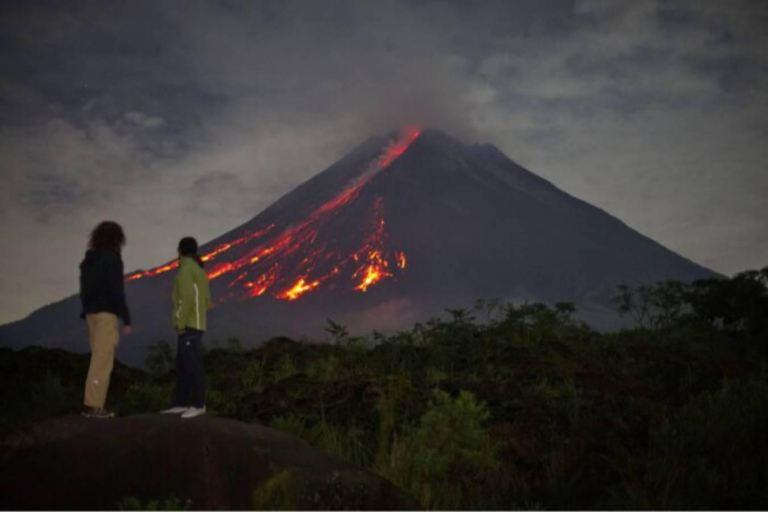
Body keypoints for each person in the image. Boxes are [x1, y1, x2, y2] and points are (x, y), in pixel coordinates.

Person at [80, 221, 132, 418]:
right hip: (106, 315)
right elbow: (116, 291)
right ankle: (93, 406)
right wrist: (126, 318)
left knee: (97, 358)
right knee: (102, 361)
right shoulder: (112, 259)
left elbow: (85, 290)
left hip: (90, 314)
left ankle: (91, 404)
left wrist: (88, 310)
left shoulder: (89, 261)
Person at [161, 237, 211, 419]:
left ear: (179, 251)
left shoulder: (185, 271)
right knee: (183, 365)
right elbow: (206, 299)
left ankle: (198, 404)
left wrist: (180, 323)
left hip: (189, 325)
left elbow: (186, 297)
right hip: (197, 323)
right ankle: (180, 403)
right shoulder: (199, 270)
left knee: (192, 365)